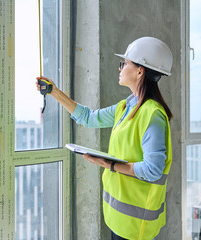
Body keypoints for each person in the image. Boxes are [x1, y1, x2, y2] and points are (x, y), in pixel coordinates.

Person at [36, 36, 173, 240]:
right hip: (118, 218)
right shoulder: (125, 107)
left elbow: (153, 170)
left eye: (124, 63)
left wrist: (108, 164)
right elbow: (88, 117)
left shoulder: (152, 115)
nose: (120, 68)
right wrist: (54, 92)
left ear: (140, 71)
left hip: (137, 226)